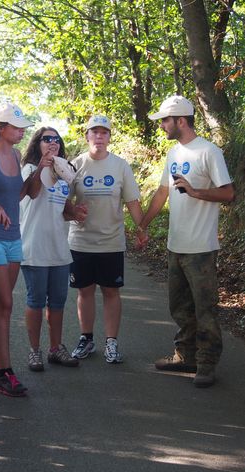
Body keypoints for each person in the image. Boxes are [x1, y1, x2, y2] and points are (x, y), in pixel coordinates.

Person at [138, 95, 235, 388]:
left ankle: (206, 364)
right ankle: (185, 356)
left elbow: (228, 193)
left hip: (201, 248)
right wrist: (142, 224)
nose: (162, 126)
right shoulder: (174, 154)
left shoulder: (209, 152)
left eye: (165, 120)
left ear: (181, 120)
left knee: (204, 308)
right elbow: (162, 193)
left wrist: (196, 192)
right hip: (175, 246)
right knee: (179, 306)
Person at [67, 115, 148, 364]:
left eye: (104, 133)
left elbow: (132, 201)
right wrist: (72, 212)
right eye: (95, 132)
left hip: (111, 241)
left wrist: (141, 228)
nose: (99, 137)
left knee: (111, 291)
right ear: (87, 136)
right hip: (80, 241)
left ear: (109, 137)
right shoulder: (74, 165)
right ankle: (86, 339)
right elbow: (63, 201)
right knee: (85, 291)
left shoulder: (120, 166)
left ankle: (111, 343)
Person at [0, 101, 39, 396]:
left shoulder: (15, 154)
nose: (22, 132)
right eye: (16, 127)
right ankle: (5, 372)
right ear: (0, 128)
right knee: (5, 306)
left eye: (23, 127)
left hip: (14, 239)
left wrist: (41, 171)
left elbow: (24, 193)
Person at [19, 127, 87, 372]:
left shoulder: (63, 171)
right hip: (34, 248)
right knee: (35, 301)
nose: (52, 142)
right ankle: (34, 351)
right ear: (37, 144)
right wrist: (42, 167)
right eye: (46, 139)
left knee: (58, 302)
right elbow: (34, 193)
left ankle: (55, 348)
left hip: (60, 249)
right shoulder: (28, 169)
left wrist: (75, 213)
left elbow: (62, 208)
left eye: (56, 139)